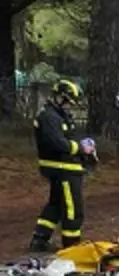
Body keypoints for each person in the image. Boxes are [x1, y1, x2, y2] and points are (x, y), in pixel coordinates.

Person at [29, 79, 94, 252]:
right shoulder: (49, 117)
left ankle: (40, 239)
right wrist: (80, 148)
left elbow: (67, 138)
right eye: (68, 102)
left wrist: (85, 150)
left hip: (64, 168)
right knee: (73, 207)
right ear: (59, 97)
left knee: (56, 205)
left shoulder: (58, 116)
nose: (69, 106)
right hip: (63, 169)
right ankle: (72, 245)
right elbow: (57, 143)